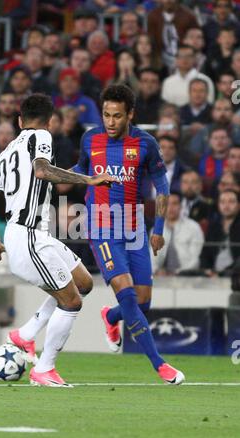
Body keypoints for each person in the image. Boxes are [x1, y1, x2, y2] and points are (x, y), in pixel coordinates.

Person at [0, 93, 116, 387]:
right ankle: (44, 369)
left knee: (83, 283)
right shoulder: (41, 135)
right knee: (71, 302)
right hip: (28, 235)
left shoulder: (7, 151)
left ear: (18, 120)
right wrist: (89, 179)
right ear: (50, 121)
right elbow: (43, 170)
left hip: (35, 234)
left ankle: (24, 336)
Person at [72, 84, 185, 385]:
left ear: (130, 115)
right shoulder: (89, 139)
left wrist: (158, 230)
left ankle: (111, 317)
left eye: (117, 116)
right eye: (106, 115)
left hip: (135, 226)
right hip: (101, 227)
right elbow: (81, 171)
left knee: (143, 301)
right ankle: (160, 365)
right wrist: (49, 175)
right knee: (131, 299)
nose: (110, 122)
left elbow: (162, 187)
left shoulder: (146, 144)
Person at [150, 192, 204, 276]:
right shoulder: (156, 230)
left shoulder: (193, 227)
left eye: (174, 203)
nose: (170, 207)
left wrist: (178, 273)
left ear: (181, 206)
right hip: (161, 278)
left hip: (186, 277)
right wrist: (156, 271)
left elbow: (195, 260)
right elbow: (152, 258)